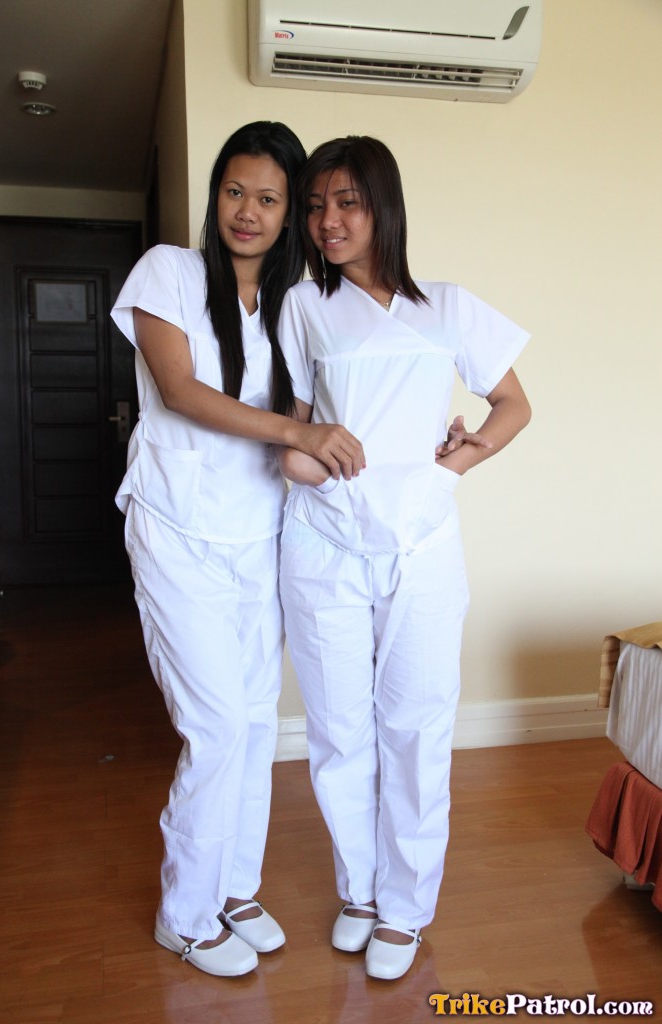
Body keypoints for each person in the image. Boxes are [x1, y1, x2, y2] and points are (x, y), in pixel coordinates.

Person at [110, 121, 365, 978]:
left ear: (290, 214)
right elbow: (181, 391)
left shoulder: (294, 306)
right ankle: (184, 915)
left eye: (268, 198)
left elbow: (330, 409)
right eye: (233, 192)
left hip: (260, 535)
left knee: (257, 723)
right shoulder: (170, 273)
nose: (247, 212)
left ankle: (233, 889)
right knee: (216, 726)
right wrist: (298, 429)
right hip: (175, 530)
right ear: (214, 193)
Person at [277, 136, 531, 981]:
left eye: (346, 202)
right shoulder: (303, 306)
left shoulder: (448, 307)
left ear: (382, 205)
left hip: (421, 546)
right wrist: (305, 461)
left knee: (417, 726)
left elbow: (513, 404)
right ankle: (360, 891)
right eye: (315, 206)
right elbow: (296, 427)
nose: (327, 221)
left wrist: (456, 464)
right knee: (339, 730)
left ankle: (406, 907)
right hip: (325, 544)